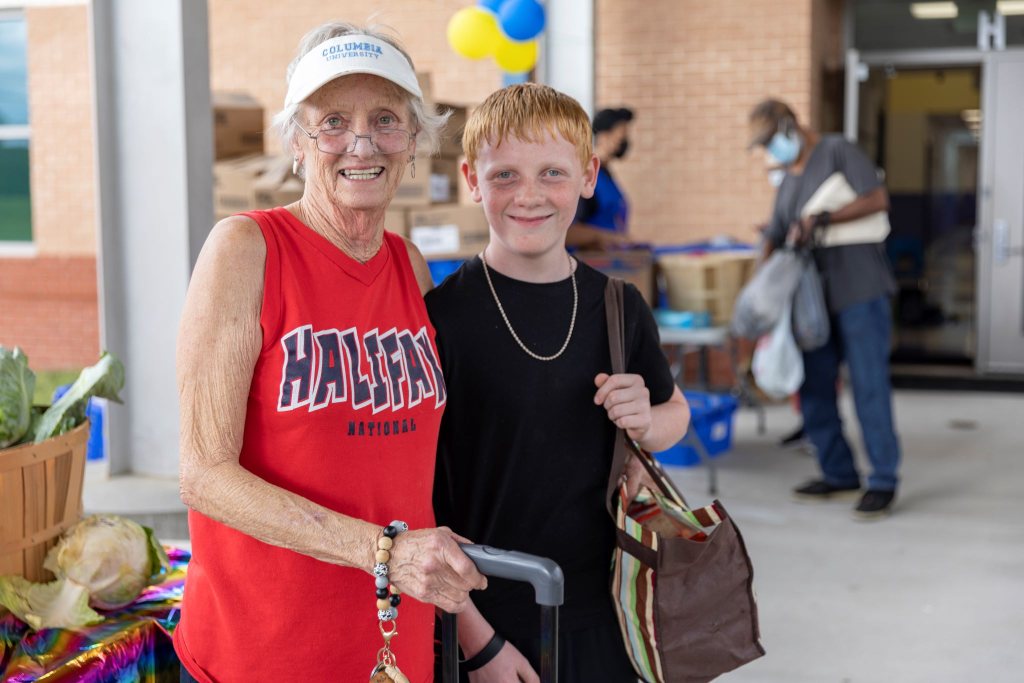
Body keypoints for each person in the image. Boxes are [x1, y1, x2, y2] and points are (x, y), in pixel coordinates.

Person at [173, 22, 487, 683]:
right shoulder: (246, 250)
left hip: (391, 650)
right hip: (263, 653)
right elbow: (204, 473)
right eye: (333, 121)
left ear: (412, 142)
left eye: (386, 119)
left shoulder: (411, 266)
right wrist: (383, 552)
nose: (362, 142)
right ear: (296, 140)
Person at [427, 84, 690, 682]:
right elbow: (416, 502)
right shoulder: (440, 320)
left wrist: (648, 422)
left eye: (552, 173)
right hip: (484, 616)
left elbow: (674, 411)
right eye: (504, 176)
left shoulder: (619, 306)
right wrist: (477, 643)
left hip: (607, 612)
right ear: (471, 179)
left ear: (588, 175)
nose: (529, 196)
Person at [748, 98, 901, 519]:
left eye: (771, 140)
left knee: (868, 385)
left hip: (860, 290)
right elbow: (776, 233)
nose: (771, 151)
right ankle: (838, 473)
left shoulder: (837, 150)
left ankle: (883, 480)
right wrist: (759, 288)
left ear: (790, 126)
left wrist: (824, 218)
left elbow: (876, 199)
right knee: (813, 386)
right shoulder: (788, 181)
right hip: (811, 302)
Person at [567, 106, 635, 249]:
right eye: (621, 135)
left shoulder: (606, 175)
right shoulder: (586, 175)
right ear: (604, 136)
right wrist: (605, 237)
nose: (625, 140)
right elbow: (567, 230)